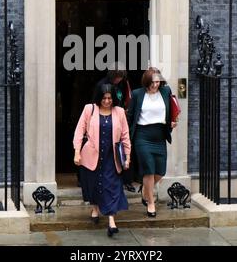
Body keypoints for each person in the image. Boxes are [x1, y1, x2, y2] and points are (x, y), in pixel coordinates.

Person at [73, 84, 131, 237]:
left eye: (110, 98)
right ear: (99, 98)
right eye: (104, 98)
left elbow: (125, 136)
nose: (107, 101)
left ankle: (111, 221)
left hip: (112, 158)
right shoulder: (89, 109)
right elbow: (79, 131)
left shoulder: (119, 112)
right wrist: (77, 152)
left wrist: (128, 156)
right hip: (92, 155)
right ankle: (95, 208)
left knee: (111, 186)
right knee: (94, 184)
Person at [127, 67, 177, 217]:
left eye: (157, 81)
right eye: (152, 82)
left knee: (160, 172)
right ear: (146, 81)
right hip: (142, 136)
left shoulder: (165, 92)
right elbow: (130, 116)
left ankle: (145, 190)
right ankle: (150, 202)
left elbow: (171, 112)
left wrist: (171, 123)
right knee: (148, 170)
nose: (155, 85)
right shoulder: (137, 94)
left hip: (160, 135)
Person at [93, 66, 136, 193]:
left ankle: (127, 180)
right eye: (117, 77)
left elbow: (125, 98)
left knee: (124, 149)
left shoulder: (123, 84)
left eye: (121, 77)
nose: (119, 80)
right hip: (105, 120)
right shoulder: (101, 85)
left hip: (120, 117)